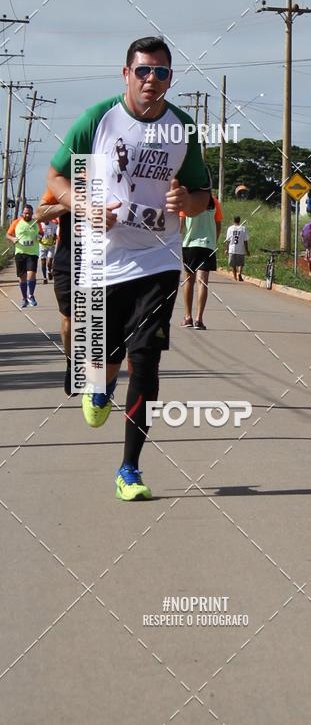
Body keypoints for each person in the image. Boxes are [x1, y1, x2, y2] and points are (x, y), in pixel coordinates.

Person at [46, 35, 211, 500]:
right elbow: (54, 178)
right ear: (126, 74)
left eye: (160, 73)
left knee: (146, 360)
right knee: (106, 360)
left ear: (170, 79)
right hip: (101, 260)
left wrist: (188, 200)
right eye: (142, 71)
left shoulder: (182, 129)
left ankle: (130, 469)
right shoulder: (98, 119)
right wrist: (81, 202)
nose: (151, 80)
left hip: (158, 259)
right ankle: (96, 387)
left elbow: (203, 196)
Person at [35, 191, 72, 393]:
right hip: (67, 260)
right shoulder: (64, 182)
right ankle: (71, 363)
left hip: (102, 261)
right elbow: (40, 213)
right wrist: (70, 204)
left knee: (98, 317)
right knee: (68, 320)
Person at [180, 192, 222, 329]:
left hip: (190, 245)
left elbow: (180, 225)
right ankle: (199, 319)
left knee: (188, 281)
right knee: (202, 282)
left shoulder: (187, 201)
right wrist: (213, 241)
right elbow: (218, 225)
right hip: (208, 246)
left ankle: (187, 317)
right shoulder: (214, 202)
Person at [6, 204, 42, 307]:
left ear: (32, 213)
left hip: (32, 253)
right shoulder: (16, 222)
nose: (27, 215)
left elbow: (41, 233)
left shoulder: (36, 222)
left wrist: (39, 236)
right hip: (20, 252)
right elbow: (8, 234)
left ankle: (31, 295)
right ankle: (24, 298)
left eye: (30, 213)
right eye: (26, 213)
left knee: (31, 275)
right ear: (22, 213)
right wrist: (13, 239)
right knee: (22, 278)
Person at [225, 215, 250, 281]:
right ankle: (239, 273)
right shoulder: (243, 228)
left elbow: (228, 240)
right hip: (241, 249)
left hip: (232, 249)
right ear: (239, 220)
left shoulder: (230, 228)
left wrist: (226, 249)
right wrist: (247, 250)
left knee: (233, 264)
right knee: (241, 263)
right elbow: (245, 240)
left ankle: (235, 276)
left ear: (233, 220)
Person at [39, 218, 59, 283]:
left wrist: (54, 240)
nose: (45, 220)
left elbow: (56, 234)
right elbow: (37, 234)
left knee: (50, 261)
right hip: (42, 245)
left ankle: (49, 271)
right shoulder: (40, 225)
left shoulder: (53, 225)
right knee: (43, 261)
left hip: (51, 245)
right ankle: (45, 278)